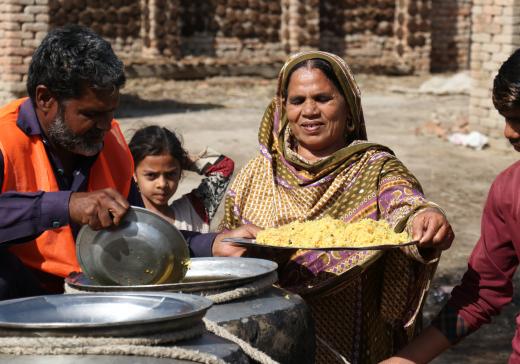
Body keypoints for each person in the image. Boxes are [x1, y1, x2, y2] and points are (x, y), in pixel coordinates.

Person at [219, 51, 454, 363]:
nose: (309, 111)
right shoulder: (256, 175)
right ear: (282, 108)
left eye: (323, 98)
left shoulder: (375, 168)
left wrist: (424, 218)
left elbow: (403, 203)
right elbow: (227, 251)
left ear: (349, 107)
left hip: (354, 340)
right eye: (297, 100)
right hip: (270, 341)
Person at [0, 25, 251, 301]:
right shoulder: (4, 138)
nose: (106, 125)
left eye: (111, 112)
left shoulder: (112, 144)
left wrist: (213, 245)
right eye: (91, 114)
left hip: (88, 296)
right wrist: (66, 205)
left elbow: (139, 233)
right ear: (45, 99)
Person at [381, 49, 520, 364]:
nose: (508, 132)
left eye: (519, 120)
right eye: (507, 119)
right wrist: (405, 360)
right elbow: (481, 294)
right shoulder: (508, 192)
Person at [129, 125, 234, 233]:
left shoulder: (194, 211)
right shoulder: (125, 217)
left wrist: (181, 159)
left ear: (180, 173)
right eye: (151, 175)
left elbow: (225, 167)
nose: (162, 184)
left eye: (170, 174)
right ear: (134, 174)